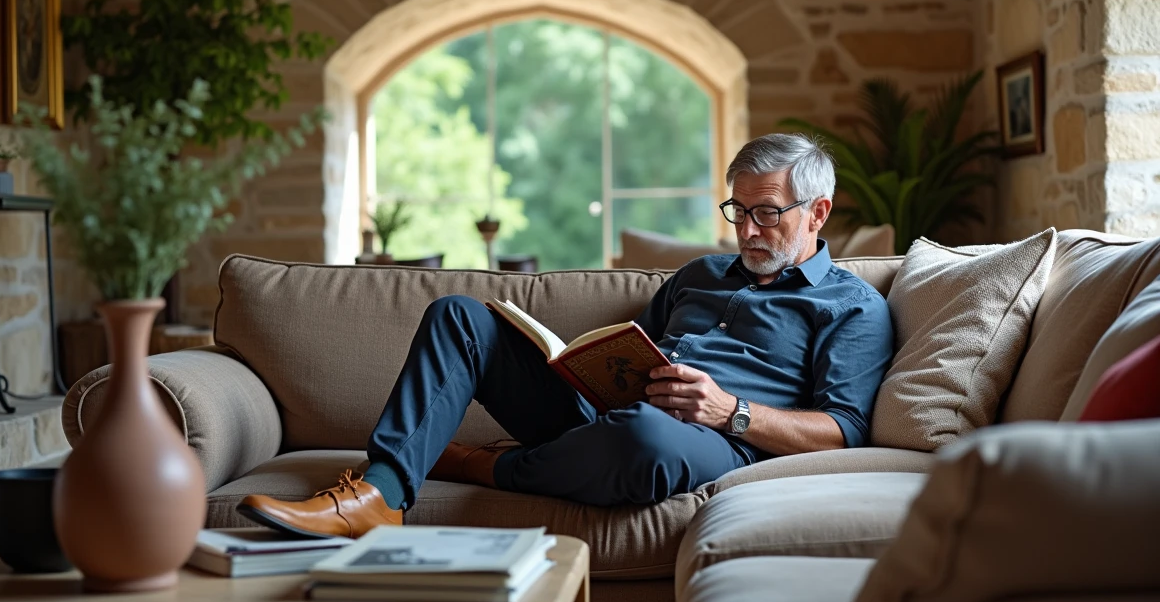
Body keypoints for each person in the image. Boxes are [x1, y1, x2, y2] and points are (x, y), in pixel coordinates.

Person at [238, 133, 895, 538]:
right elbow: (643, 349)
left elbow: (845, 427)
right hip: (607, 420)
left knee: (644, 439)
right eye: (736, 211)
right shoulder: (698, 275)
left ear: (818, 212)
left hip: (711, 441)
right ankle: (378, 493)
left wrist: (731, 410)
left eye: (765, 214)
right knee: (461, 315)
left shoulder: (853, 307)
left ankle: (477, 464)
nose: (747, 231)